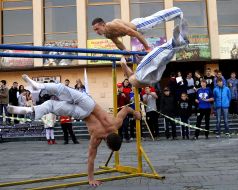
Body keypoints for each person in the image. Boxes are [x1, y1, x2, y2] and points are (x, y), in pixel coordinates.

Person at [7, 74, 141, 187]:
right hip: (81, 114)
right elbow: (91, 159)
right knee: (52, 106)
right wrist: (91, 179)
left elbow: (125, 109)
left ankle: (39, 86)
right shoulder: (97, 137)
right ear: (107, 143)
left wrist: (135, 113)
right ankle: (30, 110)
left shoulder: (116, 124)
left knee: (62, 89)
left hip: (89, 104)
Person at [92, 7, 184, 52]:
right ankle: (176, 16)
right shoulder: (107, 34)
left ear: (103, 25)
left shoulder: (113, 25)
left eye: (97, 29)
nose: (96, 32)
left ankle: (177, 11)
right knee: (159, 20)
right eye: (94, 30)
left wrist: (147, 48)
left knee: (158, 18)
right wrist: (125, 51)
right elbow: (118, 42)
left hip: (140, 25)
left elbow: (136, 34)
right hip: (135, 28)